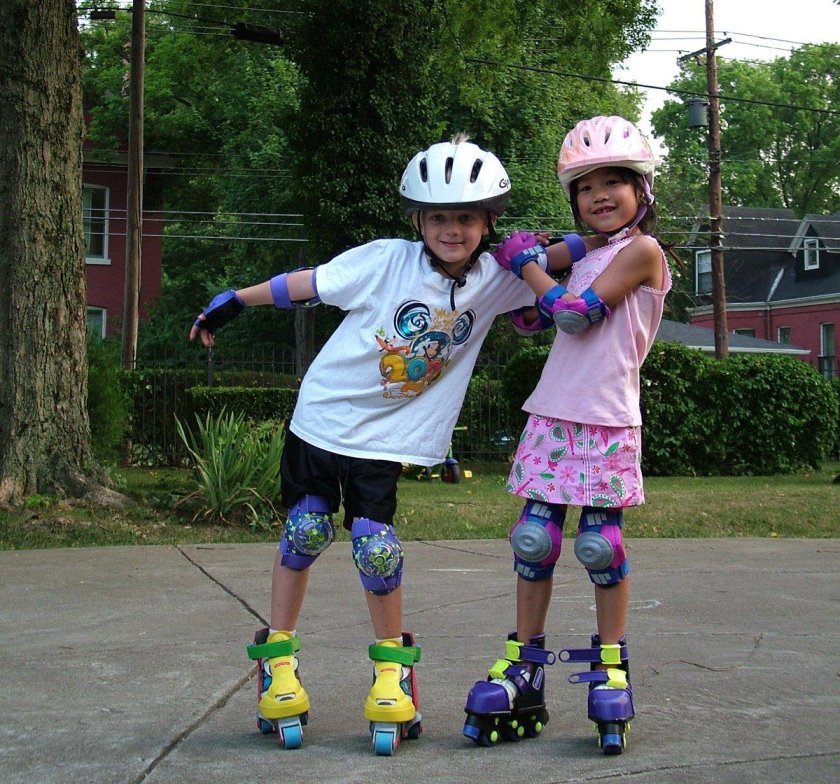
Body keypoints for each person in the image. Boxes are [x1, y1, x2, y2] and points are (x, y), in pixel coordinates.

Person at [189, 135, 587, 755]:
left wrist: (618, 227)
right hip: (321, 420)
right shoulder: (385, 260)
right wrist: (236, 301)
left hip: (384, 440)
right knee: (306, 531)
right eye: (437, 217)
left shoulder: (496, 278)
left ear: (488, 222)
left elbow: (564, 256)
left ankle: (391, 675)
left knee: (375, 548)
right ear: (417, 220)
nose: (450, 230)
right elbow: (308, 285)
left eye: (465, 217)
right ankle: (279, 664)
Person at [463, 115, 672, 756]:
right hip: (554, 415)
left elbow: (576, 317)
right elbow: (534, 314)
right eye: (585, 186)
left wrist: (530, 267)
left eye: (615, 181)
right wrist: (514, 255)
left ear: (643, 191)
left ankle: (610, 664)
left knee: (599, 546)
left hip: (607, 420)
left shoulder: (642, 252)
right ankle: (525, 664)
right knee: (535, 540)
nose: (600, 195)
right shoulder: (585, 252)